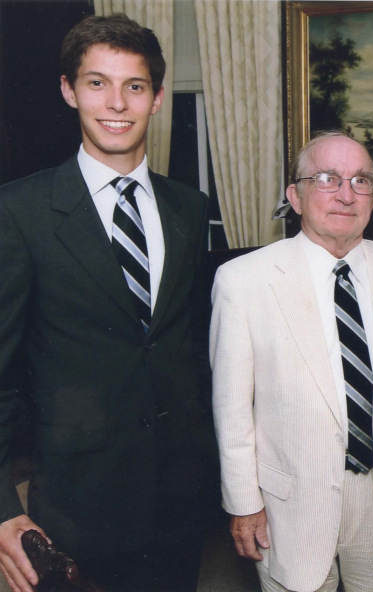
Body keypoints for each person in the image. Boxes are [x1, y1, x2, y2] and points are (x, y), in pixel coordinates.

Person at [0, 14, 214, 592]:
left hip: (179, 502)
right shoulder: (19, 212)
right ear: (69, 91)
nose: (116, 102)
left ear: (158, 98)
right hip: (73, 509)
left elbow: (191, 350)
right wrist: (0, 508)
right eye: (97, 83)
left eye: (135, 86)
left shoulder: (189, 210)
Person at [210, 132, 373, 592]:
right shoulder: (244, 281)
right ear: (295, 196)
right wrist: (242, 502)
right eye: (327, 178)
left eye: (361, 180)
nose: (345, 193)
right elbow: (232, 408)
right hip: (289, 507)